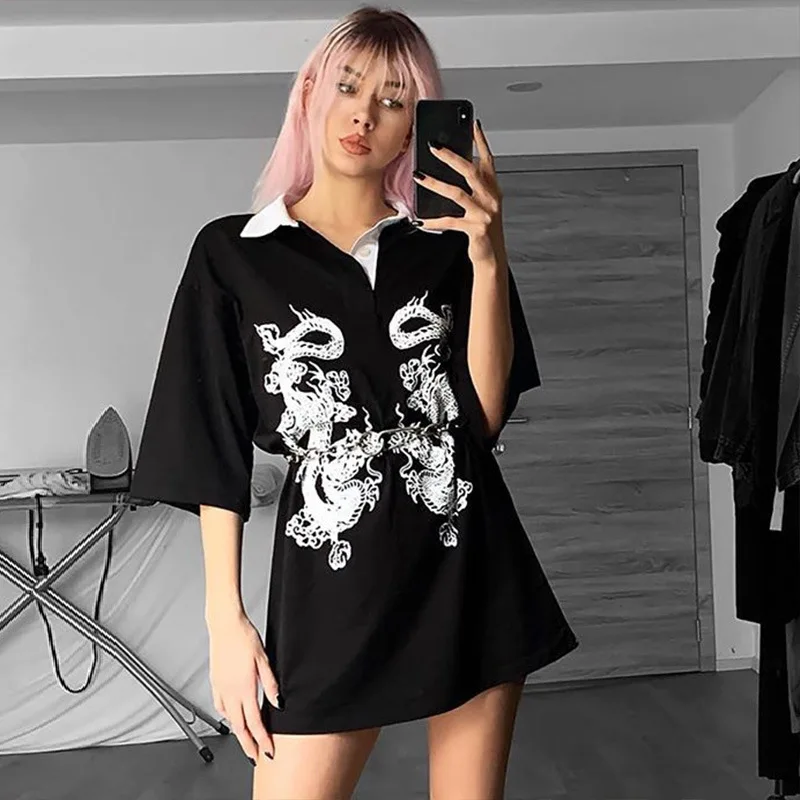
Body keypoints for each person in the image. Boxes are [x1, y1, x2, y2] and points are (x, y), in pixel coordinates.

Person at [129, 6, 579, 799]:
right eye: (347, 86)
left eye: (394, 99)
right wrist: (225, 621)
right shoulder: (234, 254)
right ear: (309, 93)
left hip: (467, 566)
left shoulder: (445, 248)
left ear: (412, 129)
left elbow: (481, 417)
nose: (365, 114)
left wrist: (488, 251)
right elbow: (207, 442)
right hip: (331, 591)